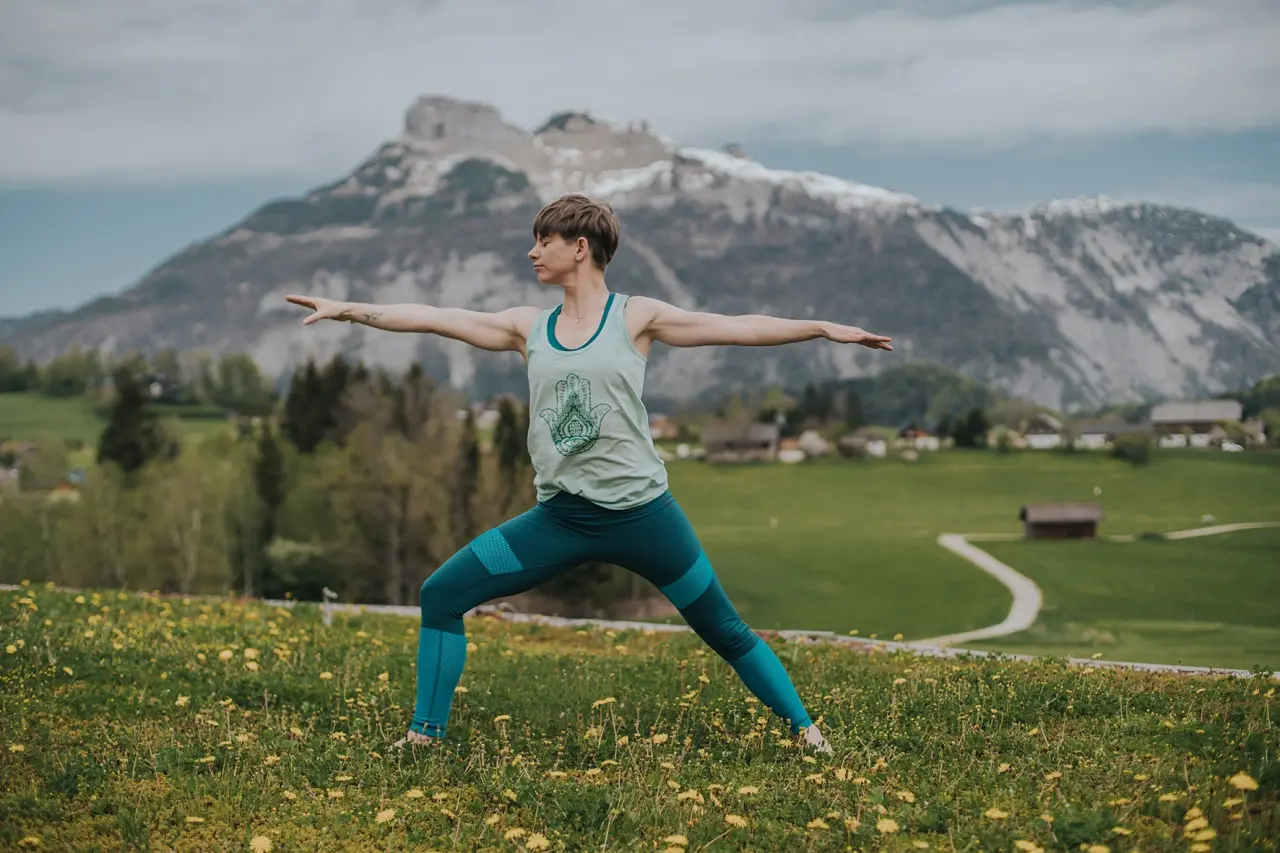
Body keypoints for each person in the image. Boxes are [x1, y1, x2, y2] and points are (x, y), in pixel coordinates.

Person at [285, 194, 892, 756]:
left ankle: (809, 734)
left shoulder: (638, 317)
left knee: (724, 629)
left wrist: (819, 328)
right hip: (561, 519)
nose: (532, 251)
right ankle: (425, 737)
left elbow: (737, 325)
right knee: (442, 593)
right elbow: (435, 317)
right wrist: (351, 312)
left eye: (543, 239)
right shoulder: (528, 327)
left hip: (646, 519)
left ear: (580, 247)